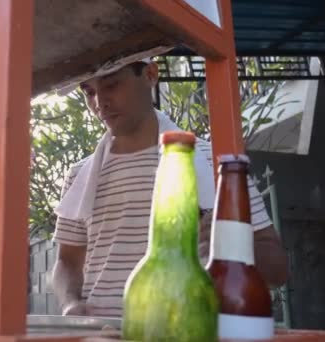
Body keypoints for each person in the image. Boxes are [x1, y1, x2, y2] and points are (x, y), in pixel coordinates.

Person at [50, 56, 289, 318]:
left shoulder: (216, 163)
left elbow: (277, 268)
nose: (99, 103)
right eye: (89, 92)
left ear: (151, 74)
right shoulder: (80, 178)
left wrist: (230, 247)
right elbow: (67, 261)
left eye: (112, 85)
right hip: (103, 334)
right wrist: (70, 303)